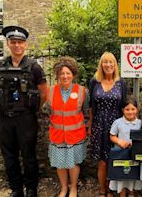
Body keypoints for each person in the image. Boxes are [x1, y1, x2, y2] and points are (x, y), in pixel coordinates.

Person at [0, 26, 47, 197]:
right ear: (8, 44)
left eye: (20, 42)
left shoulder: (34, 67)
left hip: (25, 118)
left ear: (25, 45)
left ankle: (31, 190)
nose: (17, 45)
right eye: (13, 42)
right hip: (5, 118)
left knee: (29, 156)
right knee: (9, 157)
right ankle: (16, 189)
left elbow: (44, 93)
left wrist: (31, 110)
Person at [45, 57, 89, 197]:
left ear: (73, 74)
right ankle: (64, 188)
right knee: (60, 164)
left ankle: (74, 188)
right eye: (62, 73)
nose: (65, 76)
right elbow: (47, 112)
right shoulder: (50, 91)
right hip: (57, 135)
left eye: (68, 73)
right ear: (57, 75)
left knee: (74, 163)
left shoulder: (82, 91)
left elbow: (87, 113)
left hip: (75, 135)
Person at [88, 52, 127, 197]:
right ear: (101, 65)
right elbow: (91, 106)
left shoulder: (121, 83)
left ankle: (112, 187)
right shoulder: (94, 82)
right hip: (99, 125)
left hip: (116, 125)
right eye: (105, 62)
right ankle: (102, 188)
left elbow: (124, 106)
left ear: (115, 65)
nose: (108, 65)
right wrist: (91, 124)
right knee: (102, 161)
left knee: (114, 157)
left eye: (111, 62)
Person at [109, 97, 142, 197]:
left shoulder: (140, 123)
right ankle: (122, 194)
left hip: (134, 155)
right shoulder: (117, 122)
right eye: (127, 109)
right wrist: (119, 141)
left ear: (136, 109)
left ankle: (132, 193)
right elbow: (112, 136)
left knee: (132, 176)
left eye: (133, 109)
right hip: (120, 155)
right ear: (122, 110)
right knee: (121, 177)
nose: (130, 112)